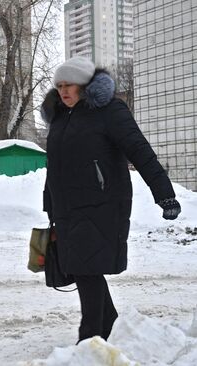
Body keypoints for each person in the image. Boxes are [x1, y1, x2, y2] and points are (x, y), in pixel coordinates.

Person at [41, 56, 181, 343]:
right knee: (82, 269)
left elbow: (140, 150)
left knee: (86, 268)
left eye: (70, 85)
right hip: (67, 210)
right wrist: (49, 204)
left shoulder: (109, 111)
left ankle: (90, 338)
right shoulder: (59, 118)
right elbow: (55, 165)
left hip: (102, 206)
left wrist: (164, 194)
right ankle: (112, 327)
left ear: (85, 85)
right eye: (59, 86)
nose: (64, 90)